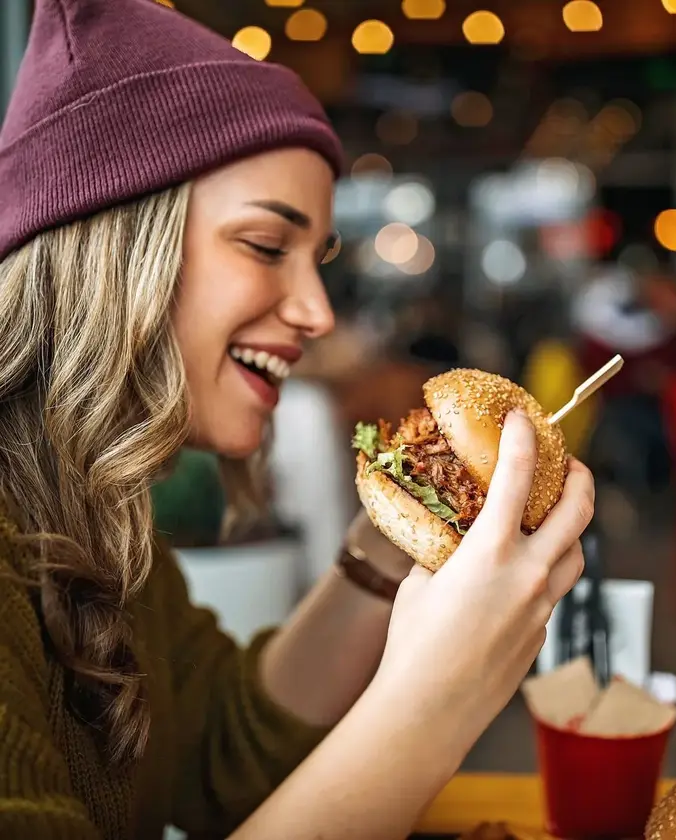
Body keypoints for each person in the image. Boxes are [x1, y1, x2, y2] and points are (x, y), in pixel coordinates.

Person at [0, 2, 595, 839]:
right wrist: (441, 696)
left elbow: (220, 752)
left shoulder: (86, 513)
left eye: (317, 261)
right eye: (265, 246)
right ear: (113, 244)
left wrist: (382, 554)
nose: (317, 313)